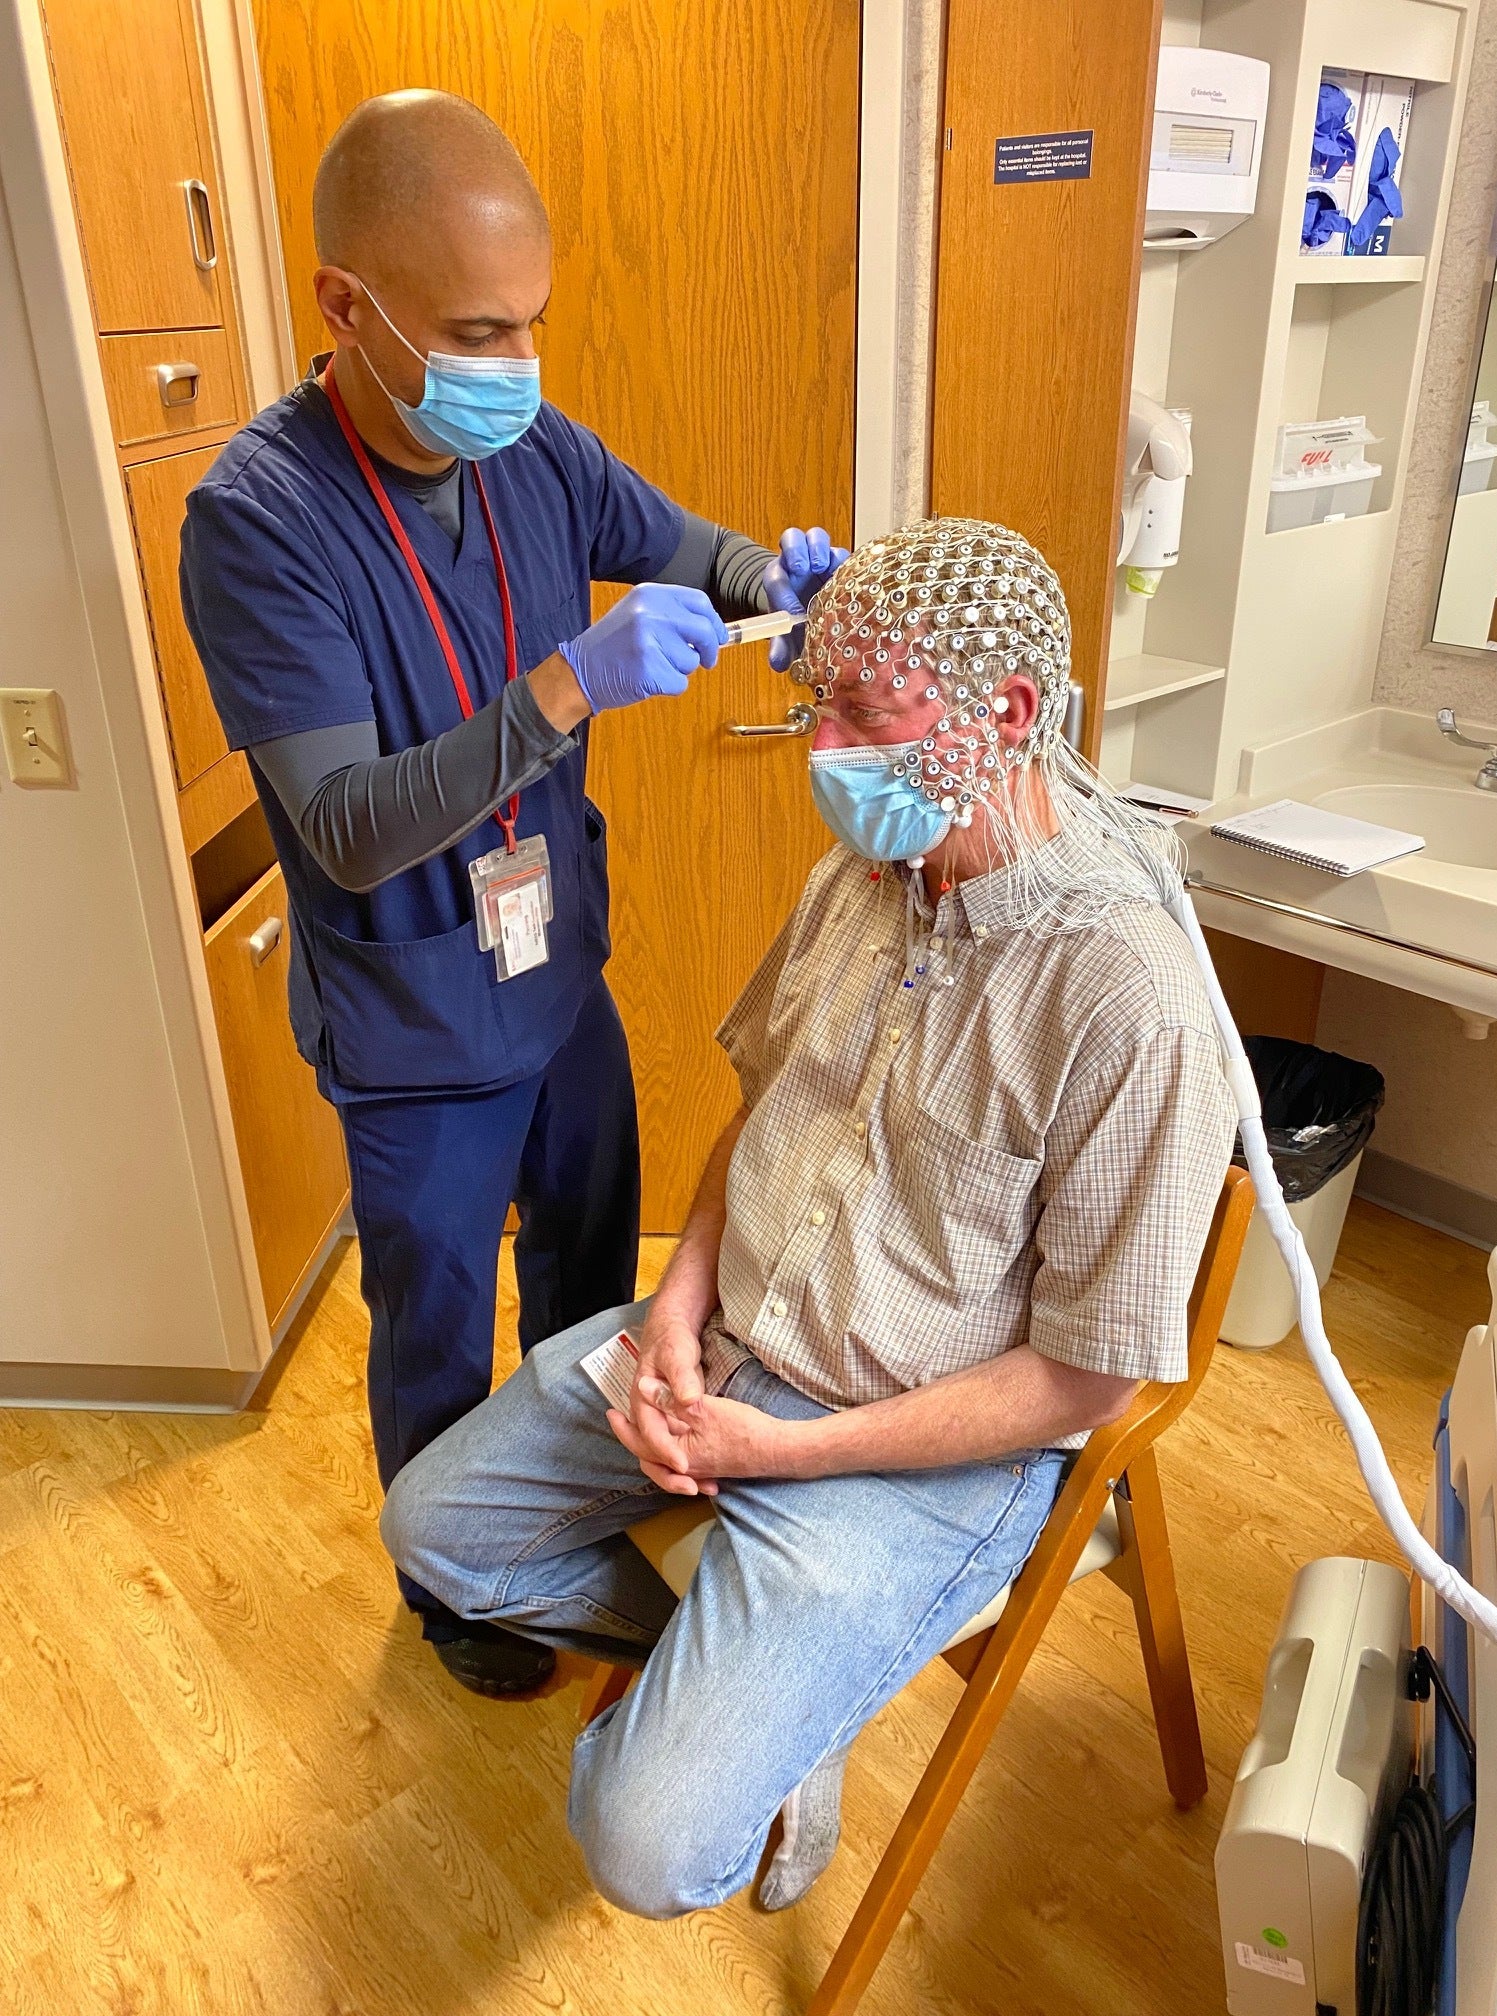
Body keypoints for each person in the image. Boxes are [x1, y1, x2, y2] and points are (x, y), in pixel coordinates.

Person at [377, 517, 1238, 1916]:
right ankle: (759, 1692)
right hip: (731, 1347)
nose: (823, 745)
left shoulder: (1128, 992)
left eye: (861, 707)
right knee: (437, 1536)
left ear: (1005, 713)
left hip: (919, 1451)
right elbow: (762, 1112)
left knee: (646, 1850)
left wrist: (787, 1452)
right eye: (815, 700)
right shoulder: (859, 879)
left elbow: (1087, 1372)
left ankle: (776, 1724)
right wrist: (670, 1314)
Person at [179, 89, 845, 1699]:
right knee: (434, 1328)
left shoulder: (535, 449)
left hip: (556, 981)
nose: (516, 366)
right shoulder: (259, 523)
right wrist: (565, 690)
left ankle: (571, 1513)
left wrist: (777, 579)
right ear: (351, 305)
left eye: (530, 325)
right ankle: (457, 1588)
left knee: (588, 1263)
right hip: (415, 1023)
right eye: (480, 330)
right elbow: (341, 825)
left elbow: (681, 541)